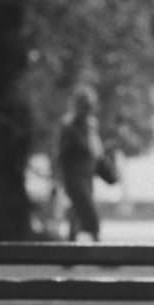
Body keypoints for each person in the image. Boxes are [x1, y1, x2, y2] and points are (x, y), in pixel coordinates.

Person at [56, 86, 104, 242]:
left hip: (86, 175)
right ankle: (100, 251)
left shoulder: (91, 125)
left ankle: (69, 255)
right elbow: (62, 154)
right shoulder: (69, 127)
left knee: (76, 214)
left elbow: (96, 151)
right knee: (89, 213)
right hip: (74, 177)